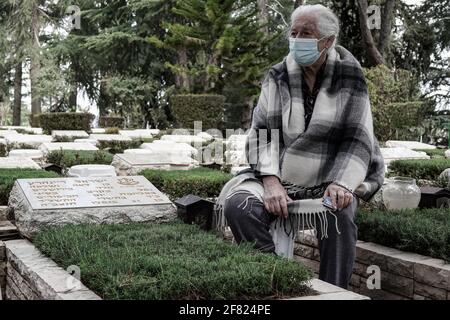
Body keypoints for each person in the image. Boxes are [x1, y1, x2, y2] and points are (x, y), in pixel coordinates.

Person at [216, 4, 385, 289]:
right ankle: (274, 282)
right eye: (293, 33)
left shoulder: (350, 75)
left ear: (328, 41)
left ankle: (333, 292)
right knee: (239, 206)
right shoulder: (277, 75)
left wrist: (342, 184)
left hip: (332, 174)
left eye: (306, 33)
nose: (297, 39)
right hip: (281, 173)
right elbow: (262, 133)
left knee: (338, 212)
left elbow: (356, 138)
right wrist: (270, 182)